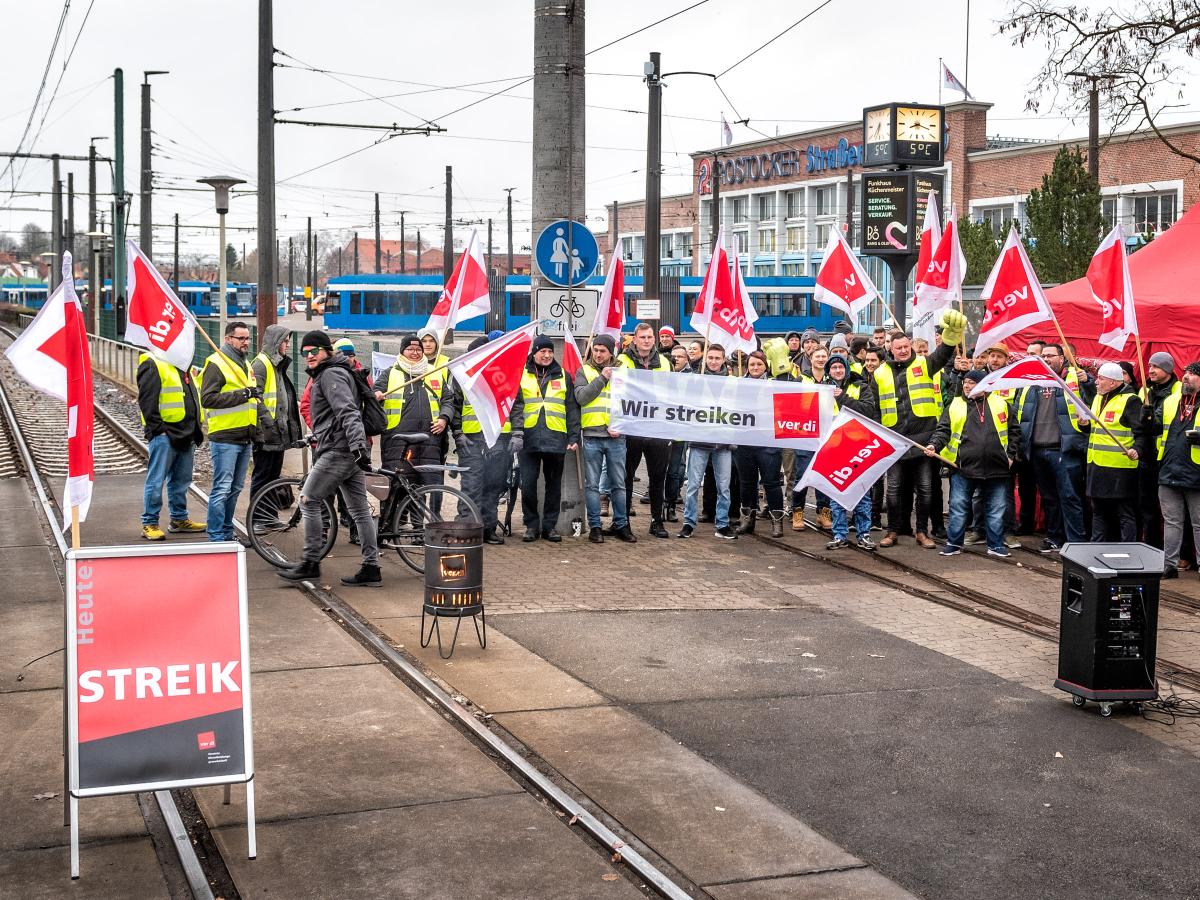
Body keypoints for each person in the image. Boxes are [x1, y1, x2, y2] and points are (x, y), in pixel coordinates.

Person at [279, 331, 381, 586]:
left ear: (327, 351)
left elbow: (348, 412)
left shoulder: (331, 374)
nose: (309, 356)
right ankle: (372, 567)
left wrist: (358, 446)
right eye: (305, 353)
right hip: (345, 449)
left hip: (339, 451)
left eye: (314, 351)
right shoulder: (335, 371)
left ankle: (310, 562)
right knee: (359, 511)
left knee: (308, 499)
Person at [874, 309, 966, 549]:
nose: (903, 350)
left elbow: (942, 354)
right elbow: (873, 407)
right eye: (898, 347)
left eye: (906, 346)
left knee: (925, 490)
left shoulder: (925, 364)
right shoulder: (879, 373)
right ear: (890, 350)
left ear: (911, 347)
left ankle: (922, 532)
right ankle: (893, 530)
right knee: (893, 491)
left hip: (924, 440)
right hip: (895, 442)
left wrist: (950, 339)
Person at [925, 369, 1020, 557]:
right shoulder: (955, 404)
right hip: (963, 467)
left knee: (996, 508)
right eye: (965, 382)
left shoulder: (1001, 404)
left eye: (972, 382)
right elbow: (943, 430)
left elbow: (1014, 431)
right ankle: (954, 544)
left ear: (984, 385)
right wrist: (934, 445)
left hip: (997, 467)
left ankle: (995, 545)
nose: (967, 386)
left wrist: (1010, 455)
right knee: (959, 506)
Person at [1016, 343, 1094, 552]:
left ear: (1062, 358)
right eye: (1044, 356)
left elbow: (1093, 396)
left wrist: (1088, 382)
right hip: (1037, 450)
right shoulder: (1030, 382)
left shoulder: (1075, 378)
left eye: (1050, 355)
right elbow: (1020, 414)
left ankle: (1076, 541)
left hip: (1065, 450)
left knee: (1070, 497)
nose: (1046, 359)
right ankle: (1054, 537)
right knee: (1049, 498)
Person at [510, 336, 580, 542]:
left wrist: (574, 434)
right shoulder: (522, 375)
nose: (547, 355)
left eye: (550, 352)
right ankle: (531, 525)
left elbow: (571, 408)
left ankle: (549, 527)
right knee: (529, 484)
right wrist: (517, 431)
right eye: (543, 352)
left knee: (554, 486)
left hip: (556, 438)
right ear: (534, 353)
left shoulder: (564, 376)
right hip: (528, 438)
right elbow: (516, 406)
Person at [200, 321, 260, 542]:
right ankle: (216, 536)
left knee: (235, 488)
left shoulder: (245, 364)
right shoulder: (216, 363)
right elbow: (207, 399)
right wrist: (244, 394)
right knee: (222, 488)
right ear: (228, 339)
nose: (246, 342)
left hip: (244, 437)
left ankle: (226, 532)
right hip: (225, 436)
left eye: (247, 338)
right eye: (241, 338)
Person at [137, 349, 204, 540]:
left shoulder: (182, 361)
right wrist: (158, 430)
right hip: (165, 434)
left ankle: (179, 519)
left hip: (187, 431)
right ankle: (149, 523)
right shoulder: (152, 362)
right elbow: (147, 401)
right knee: (156, 480)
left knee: (181, 480)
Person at [574, 334, 635, 543]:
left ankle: (621, 524)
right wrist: (602, 379)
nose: (598, 354)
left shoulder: (624, 372)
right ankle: (595, 527)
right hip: (592, 436)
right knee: (592, 485)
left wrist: (622, 425)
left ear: (611, 352)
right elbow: (582, 398)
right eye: (595, 350)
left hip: (617, 437)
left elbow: (632, 403)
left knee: (619, 483)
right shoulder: (584, 371)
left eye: (603, 351)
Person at [619, 323, 673, 538]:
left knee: (658, 476)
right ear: (635, 340)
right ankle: (624, 522)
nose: (647, 340)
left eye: (650, 337)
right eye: (642, 337)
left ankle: (656, 521)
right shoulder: (622, 361)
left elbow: (670, 394)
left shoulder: (665, 363)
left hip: (657, 428)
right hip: (631, 428)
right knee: (626, 477)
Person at [680, 344, 737, 540]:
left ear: (723, 360)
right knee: (693, 485)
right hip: (700, 440)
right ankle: (688, 523)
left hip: (723, 442)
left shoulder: (733, 383)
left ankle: (722, 524)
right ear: (706, 359)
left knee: (724, 486)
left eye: (717, 358)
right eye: (710, 358)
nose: (713, 361)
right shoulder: (696, 380)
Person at [438, 336, 494, 529]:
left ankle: (488, 528)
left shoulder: (498, 374)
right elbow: (455, 407)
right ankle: (467, 525)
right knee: (471, 485)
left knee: (493, 484)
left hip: (494, 439)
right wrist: (459, 434)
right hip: (470, 440)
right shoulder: (462, 378)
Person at [824, 353, 878, 550]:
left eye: (840, 367)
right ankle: (839, 534)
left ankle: (864, 533)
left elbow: (868, 411)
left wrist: (842, 397)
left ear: (846, 369)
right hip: (834, 447)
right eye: (833, 368)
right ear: (828, 371)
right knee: (836, 492)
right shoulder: (823, 389)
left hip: (858, 446)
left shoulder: (860, 386)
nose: (837, 371)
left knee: (861, 492)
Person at [250, 325, 303, 523]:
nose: (287, 345)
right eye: (285, 341)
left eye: (288, 341)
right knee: (263, 477)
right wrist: (268, 423)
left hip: (276, 433)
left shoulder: (275, 364)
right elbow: (255, 397)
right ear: (275, 342)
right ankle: (259, 519)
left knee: (271, 478)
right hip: (266, 434)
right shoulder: (261, 364)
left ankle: (268, 516)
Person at [1084, 362, 1142, 542]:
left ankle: (1128, 550)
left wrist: (1137, 449)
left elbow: (1142, 432)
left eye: (1101, 378)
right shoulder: (1098, 398)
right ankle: (1097, 547)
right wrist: (1083, 424)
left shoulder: (1131, 400)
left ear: (1114, 382)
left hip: (1120, 468)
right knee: (1098, 511)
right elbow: (1094, 430)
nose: (1096, 382)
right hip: (1096, 464)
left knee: (1124, 513)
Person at [378, 333, 445, 477]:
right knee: (397, 488)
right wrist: (376, 395)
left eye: (418, 349)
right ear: (402, 351)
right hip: (398, 442)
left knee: (426, 488)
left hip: (430, 441)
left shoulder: (434, 373)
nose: (415, 353)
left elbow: (448, 400)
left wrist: (444, 418)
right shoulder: (390, 373)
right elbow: (373, 395)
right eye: (410, 349)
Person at [734, 350, 785, 537]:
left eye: (759, 364)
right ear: (746, 367)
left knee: (771, 483)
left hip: (768, 442)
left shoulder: (775, 385)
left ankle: (777, 522)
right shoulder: (738, 385)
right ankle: (747, 520)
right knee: (746, 483)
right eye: (752, 365)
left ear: (766, 367)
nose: (755, 368)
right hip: (745, 442)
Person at [1158, 361, 1200, 578]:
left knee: (1199, 524)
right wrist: (1146, 419)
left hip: (1196, 473)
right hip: (1169, 469)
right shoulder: (1172, 401)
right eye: (1185, 373)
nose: (1185, 377)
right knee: (1172, 522)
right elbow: (1158, 426)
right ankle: (1169, 566)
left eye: (1192, 374)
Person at [1139, 351, 1179, 547]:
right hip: (1147, 457)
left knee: (1175, 513)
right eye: (1149, 366)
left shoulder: (1178, 391)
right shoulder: (1146, 391)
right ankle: (1151, 548)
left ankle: (1181, 554)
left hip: (1170, 459)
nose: (1151, 370)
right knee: (1148, 508)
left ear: (1168, 369)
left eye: (1156, 367)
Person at [664, 345, 692, 519]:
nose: (676, 359)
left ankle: (671, 505)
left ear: (686, 359)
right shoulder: (661, 376)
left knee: (675, 471)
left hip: (679, 433)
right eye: (673, 356)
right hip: (661, 432)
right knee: (660, 470)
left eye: (680, 356)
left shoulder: (692, 379)